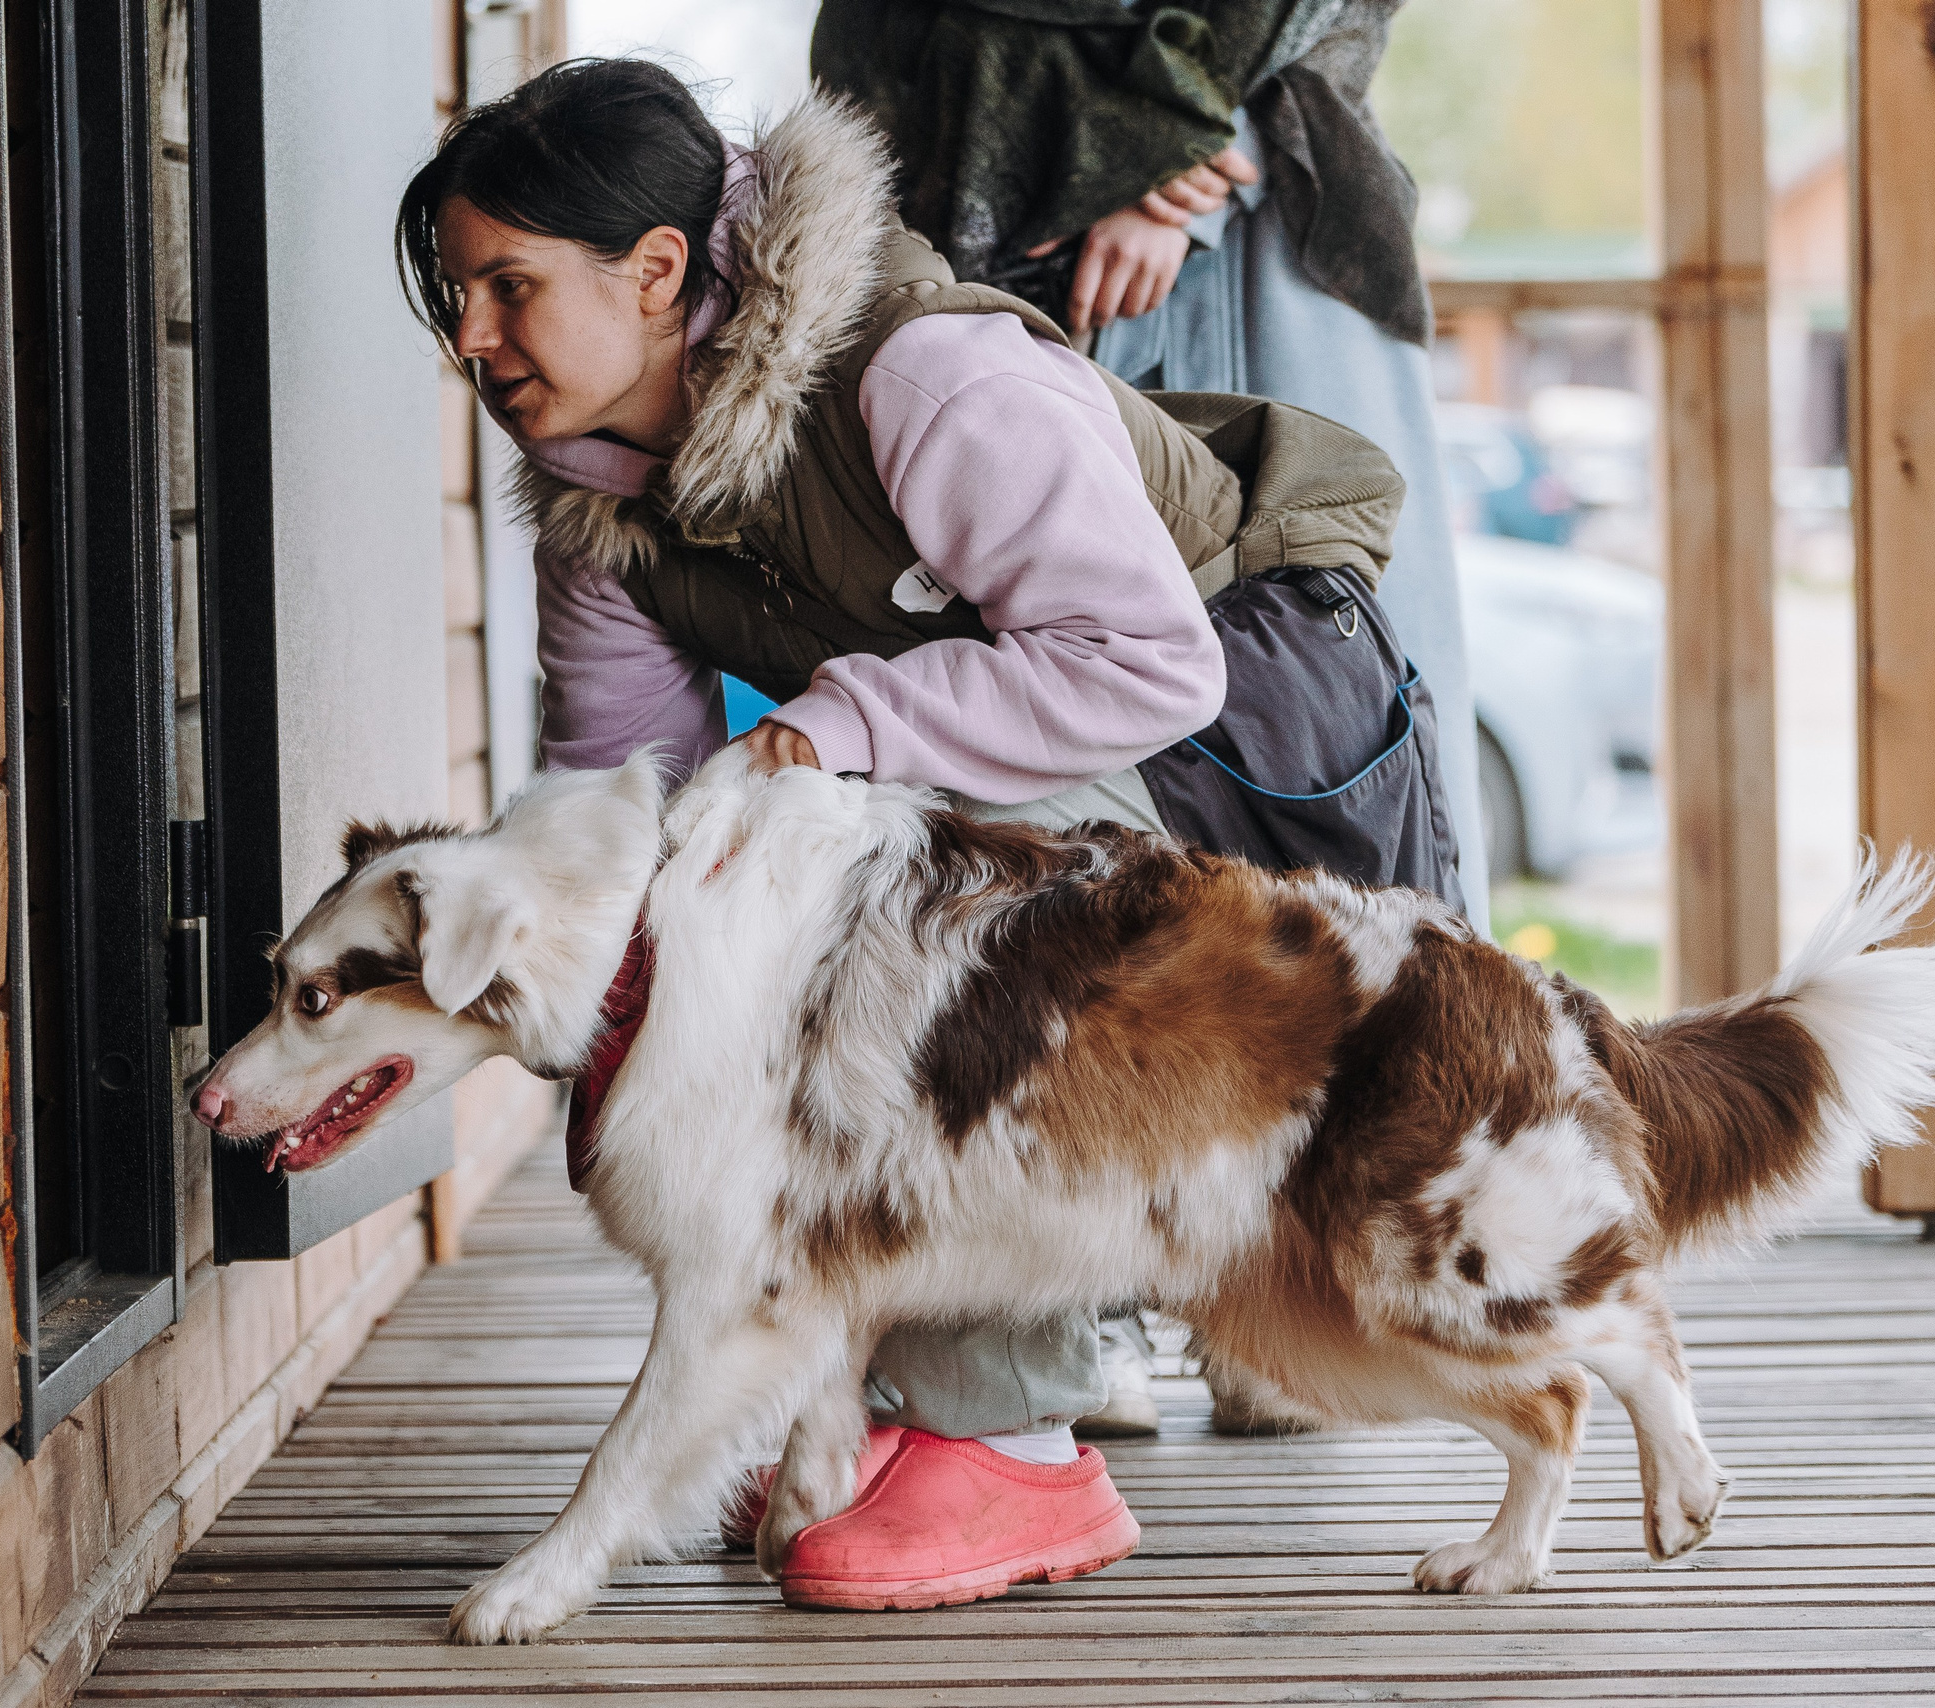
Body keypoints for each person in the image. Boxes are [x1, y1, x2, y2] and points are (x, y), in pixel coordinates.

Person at [394, 55, 1360, 1610]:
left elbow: (1150, 662)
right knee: (758, 897)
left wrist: (836, 726)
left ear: (655, 273)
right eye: (459, 296)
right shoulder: (597, 502)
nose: (472, 337)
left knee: (918, 877)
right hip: (1041, 785)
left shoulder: (922, 376)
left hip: (1244, 748)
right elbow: (632, 819)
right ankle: (835, 1388)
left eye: (509, 287)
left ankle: (1011, 1445)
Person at [815, 0, 1486, 1435]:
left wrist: (1180, 139)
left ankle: (1302, 1284)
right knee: (1046, 751)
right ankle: (1070, 1286)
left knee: (1313, 719)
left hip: (1251, 208)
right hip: (994, 210)